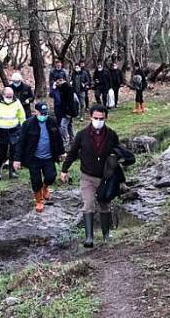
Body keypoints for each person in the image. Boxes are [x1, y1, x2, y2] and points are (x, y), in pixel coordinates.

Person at [61, 105, 120, 248]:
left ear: (106, 118)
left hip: (105, 177)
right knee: (88, 204)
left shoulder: (111, 135)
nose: (98, 121)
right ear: (90, 117)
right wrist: (64, 169)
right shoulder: (82, 135)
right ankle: (89, 237)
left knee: (105, 205)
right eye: (96, 118)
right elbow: (73, 153)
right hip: (87, 176)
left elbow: (119, 152)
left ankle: (106, 235)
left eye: (101, 118)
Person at [13, 102, 65, 213]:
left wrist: (62, 152)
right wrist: (17, 159)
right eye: (41, 113)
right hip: (34, 158)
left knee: (51, 176)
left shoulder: (52, 121)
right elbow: (21, 142)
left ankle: (45, 188)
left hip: (49, 156)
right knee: (36, 180)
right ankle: (39, 200)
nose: (43, 115)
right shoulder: (28, 124)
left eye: (45, 113)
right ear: (35, 112)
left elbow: (58, 138)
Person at [0, 87, 26, 180]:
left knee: (14, 151)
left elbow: (22, 115)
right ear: (3, 95)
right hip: (1, 131)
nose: (9, 98)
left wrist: (23, 128)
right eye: (8, 96)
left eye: (11, 96)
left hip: (14, 130)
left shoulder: (17, 101)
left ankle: (12, 171)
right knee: (2, 153)